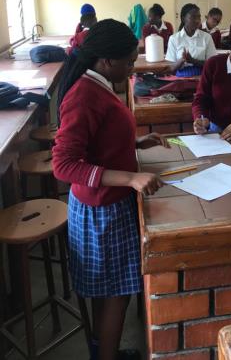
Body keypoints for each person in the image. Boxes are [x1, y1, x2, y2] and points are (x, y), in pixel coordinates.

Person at [52, 19, 168, 360]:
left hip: (105, 203)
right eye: (128, 62)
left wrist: (134, 142)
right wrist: (130, 178)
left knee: (108, 291)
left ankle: (104, 351)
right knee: (116, 293)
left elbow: (98, 140)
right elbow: (64, 165)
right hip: (101, 209)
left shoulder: (98, 84)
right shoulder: (84, 96)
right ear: (105, 61)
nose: (132, 69)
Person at [165, 3, 217, 76]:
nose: (197, 20)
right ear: (183, 19)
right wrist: (180, 61)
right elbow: (170, 67)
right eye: (193, 17)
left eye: (199, 17)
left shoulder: (207, 37)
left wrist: (193, 61)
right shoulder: (174, 39)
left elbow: (213, 63)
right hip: (180, 78)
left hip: (202, 77)